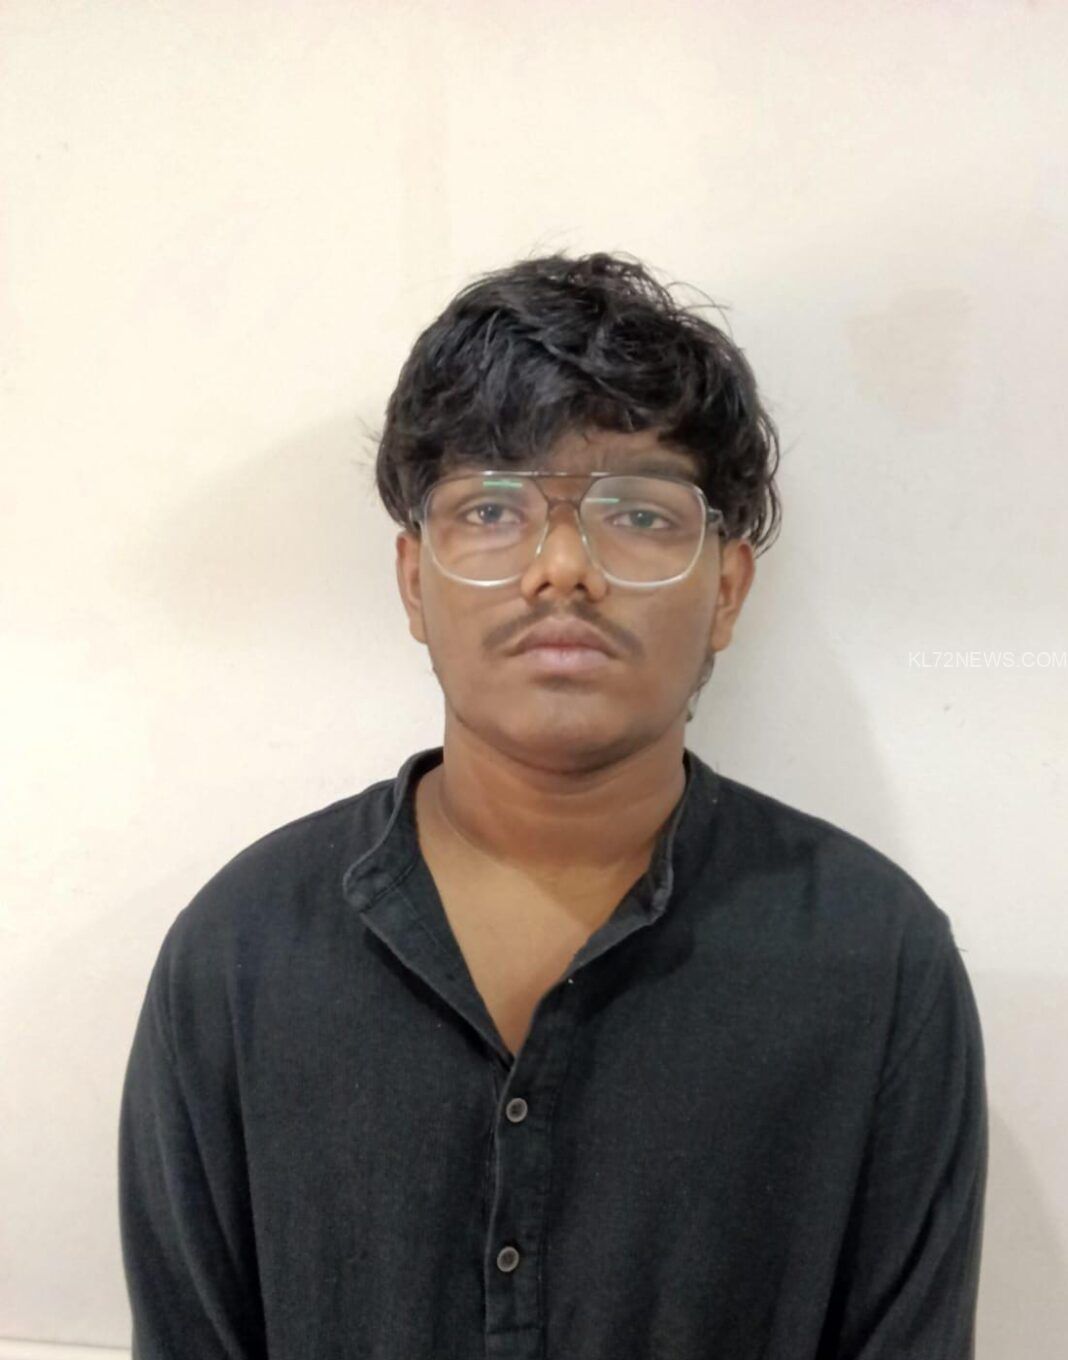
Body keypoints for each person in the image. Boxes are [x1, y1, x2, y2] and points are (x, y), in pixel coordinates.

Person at [118, 251, 987, 1359]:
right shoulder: (240, 956)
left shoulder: (877, 963)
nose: (563, 566)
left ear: (726, 588)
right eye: (493, 507)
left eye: (641, 513)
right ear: (413, 580)